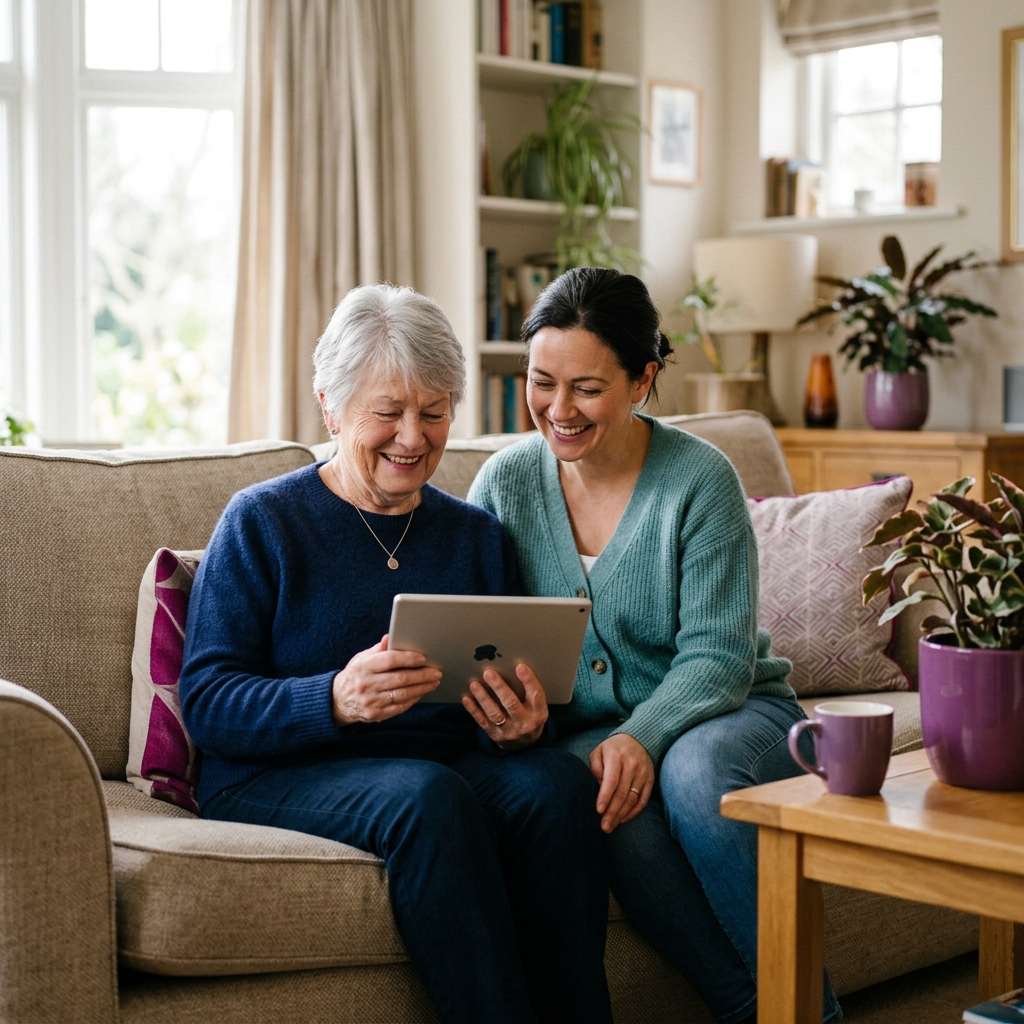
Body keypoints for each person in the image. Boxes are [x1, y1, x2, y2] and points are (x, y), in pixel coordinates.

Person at [179, 284, 612, 1024]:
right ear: (331, 407)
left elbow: (493, 695)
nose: (413, 438)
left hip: (436, 762)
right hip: (275, 771)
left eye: (434, 411)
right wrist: (334, 699)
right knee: (425, 797)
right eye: (388, 412)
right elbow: (208, 699)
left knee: (555, 785)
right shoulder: (263, 522)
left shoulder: (475, 536)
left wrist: (516, 726)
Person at [467, 268, 841, 1024]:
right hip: (590, 740)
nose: (558, 411)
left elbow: (718, 659)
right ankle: (748, 1008)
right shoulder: (505, 483)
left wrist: (641, 735)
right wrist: (519, 720)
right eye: (542, 382)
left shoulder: (700, 479)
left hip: (736, 714)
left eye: (587, 388)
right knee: (601, 797)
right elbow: (478, 635)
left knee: (693, 771)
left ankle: (811, 1011)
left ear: (644, 379)